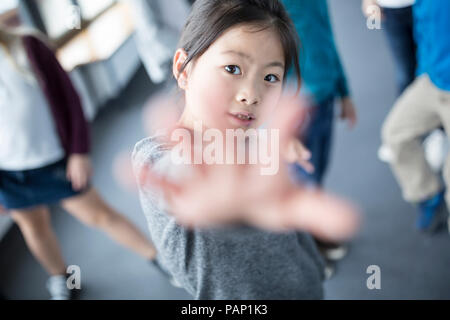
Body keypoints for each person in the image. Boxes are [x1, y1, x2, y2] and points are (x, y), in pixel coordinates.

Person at [132, 0, 359, 300]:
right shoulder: (156, 156)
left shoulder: (249, 139)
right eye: (232, 68)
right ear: (182, 69)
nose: (252, 95)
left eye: (270, 77)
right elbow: (175, 176)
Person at [0, 26, 161, 300]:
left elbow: (70, 98)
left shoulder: (27, 45)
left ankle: (162, 261)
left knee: (100, 215)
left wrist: (79, 151)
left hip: (53, 162)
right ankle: (65, 280)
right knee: (34, 228)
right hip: (8, 174)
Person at [281, 0, 357, 276]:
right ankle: (309, 252)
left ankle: (315, 235)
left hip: (324, 99)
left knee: (316, 176)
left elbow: (328, 37)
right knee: (301, 182)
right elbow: (265, 69)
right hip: (295, 110)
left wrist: (344, 91)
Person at [381, 0, 450, 233]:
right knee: (395, 134)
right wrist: (424, 71)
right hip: (431, 82)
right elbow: (424, 30)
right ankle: (429, 196)